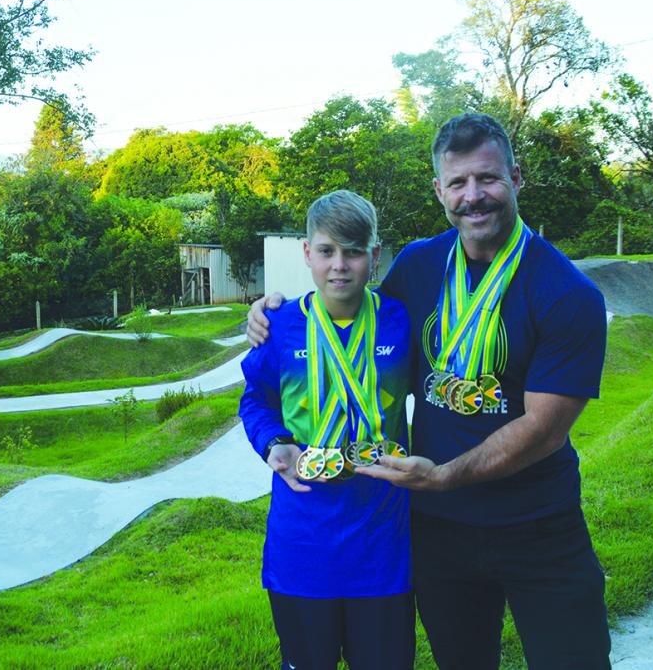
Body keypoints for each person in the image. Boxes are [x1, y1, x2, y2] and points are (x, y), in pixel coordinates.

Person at [247, 113, 611, 670]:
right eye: (458, 183)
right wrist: (274, 314)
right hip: (439, 531)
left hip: (536, 523)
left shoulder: (566, 293)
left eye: (487, 178)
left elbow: (544, 427)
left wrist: (444, 476)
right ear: (439, 190)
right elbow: (351, 319)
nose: (474, 196)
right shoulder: (419, 266)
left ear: (516, 177)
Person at [238, 189, 415, 670]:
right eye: (326, 251)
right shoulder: (279, 324)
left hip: (383, 549)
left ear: (375, 256)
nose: (340, 265)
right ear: (307, 254)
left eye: (354, 251)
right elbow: (255, 399)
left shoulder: (402, 323)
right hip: (302, 549)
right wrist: (274, 444)